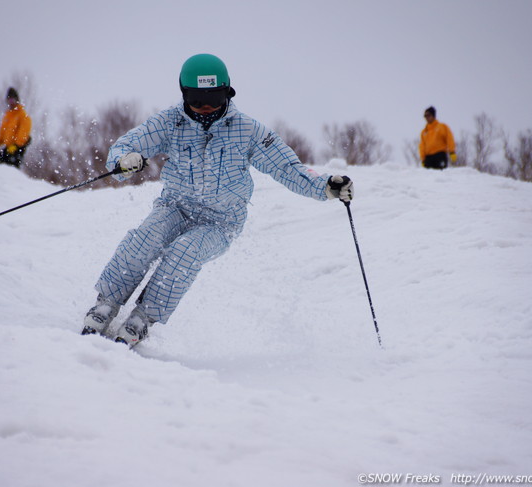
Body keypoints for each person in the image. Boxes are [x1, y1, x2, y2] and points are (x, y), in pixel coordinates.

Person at [81, 53, 354, 348]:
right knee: (145, 239)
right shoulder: (169, 122)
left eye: (214, 100)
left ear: (227, 93)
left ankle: (142, 319)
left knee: (184, 254)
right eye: (198, 102)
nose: (206, 109)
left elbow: (288, 167)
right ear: (185, 95)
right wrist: (125, 160)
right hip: (175, 207)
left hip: (220, 221)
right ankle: (106, 305)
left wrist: (325, 187)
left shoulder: (248, 130)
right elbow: (127, 145)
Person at [0, 87, 32, 169]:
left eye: (13, 100)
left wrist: (16, 145)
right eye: (9, 100)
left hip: (17, 149)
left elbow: (23, 133)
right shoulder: (8, 116)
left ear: (17, 100)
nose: (11, 103)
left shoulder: (22, 115)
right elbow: (3, 134)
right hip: (8, 148)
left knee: (11, 169)